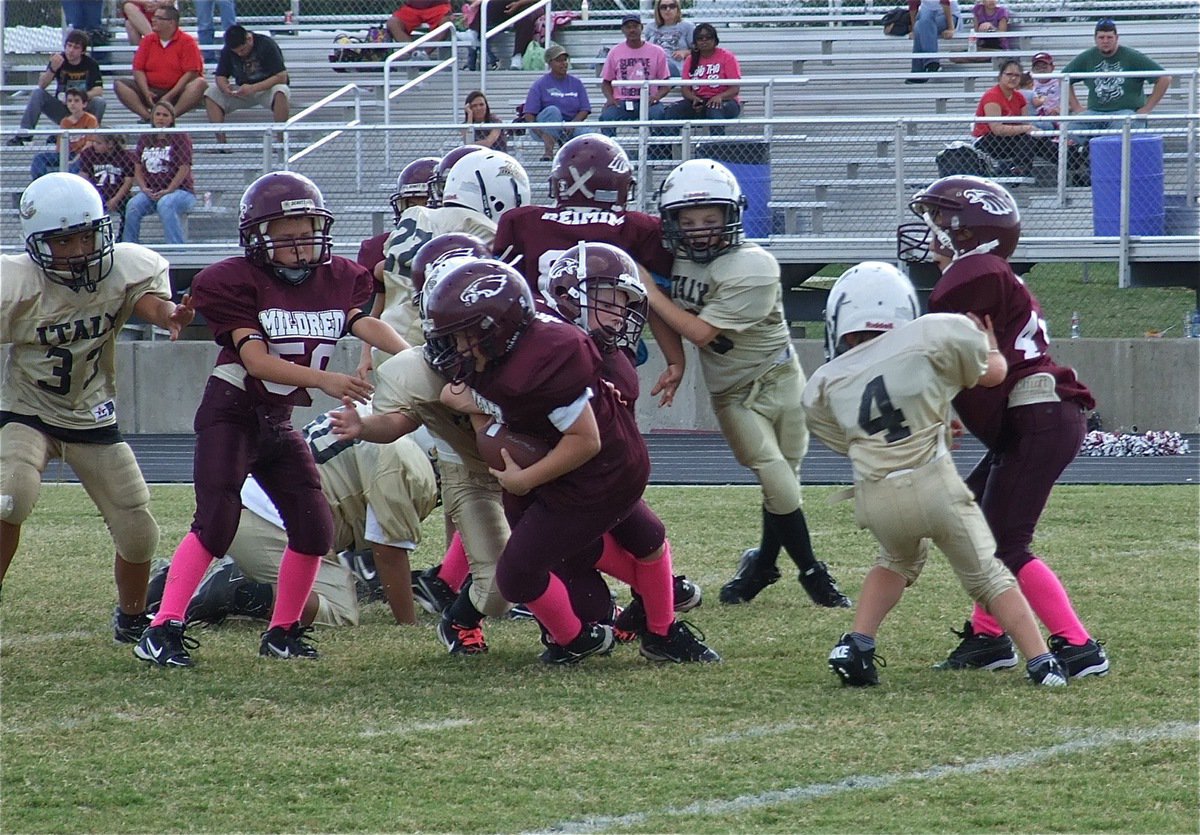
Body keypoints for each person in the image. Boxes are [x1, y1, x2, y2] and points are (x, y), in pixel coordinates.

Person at [133, 171, 409, 668]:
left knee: (314, 529)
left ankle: (282, 632)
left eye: (307, 233)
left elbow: (362, 321)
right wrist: (326, 381)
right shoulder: (234, 282)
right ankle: (162, 628)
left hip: (277, 420)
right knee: (216, 520)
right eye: (287, 238)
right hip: (232, 410)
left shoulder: (340, 278)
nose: (302, 248)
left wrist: (414, 356)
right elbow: (257, 361)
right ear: (258, 240)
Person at [802, 262, 1068, 688]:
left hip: (875, 495)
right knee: (990, 576)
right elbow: (992, 374)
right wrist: (992, 347)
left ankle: (857, 643)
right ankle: (1041, 661)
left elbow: (847, 438)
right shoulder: (931, 333)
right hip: (933, 485)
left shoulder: (824, 380)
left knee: (895, 560)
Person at [897, 174, 1110, 680]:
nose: (931, 230)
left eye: (941, 220)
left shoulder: (970, 276)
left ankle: (1079, 647)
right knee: (974, 521)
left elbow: (950, 359)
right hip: (1036, 415)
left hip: (1036, 414)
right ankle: (989, 637)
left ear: (968, 230)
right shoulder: (993, 272)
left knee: (1004, 542)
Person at [423, 259, 653, 664]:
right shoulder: (505, 351)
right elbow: (452, 396)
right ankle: (570, 631)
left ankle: (655, 605)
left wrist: (524, 474)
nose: (455, 348)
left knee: (630, 543)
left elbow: (585, 439)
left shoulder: (551, 355)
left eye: (461, 337)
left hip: (587, 474)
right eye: (607, 301)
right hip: (549, 476)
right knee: (526, 570)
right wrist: (495, 427)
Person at [645, 159, 851, 609]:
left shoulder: (751, 265)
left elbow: (703, 332)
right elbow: (656, 314)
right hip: (732, 391)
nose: (699, 230)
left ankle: (760, 568)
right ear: (673, 221)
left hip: (780, 377)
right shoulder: (669, 257)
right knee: (779, 483)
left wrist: (650, 290)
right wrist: (675, 360)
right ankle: (813, 573)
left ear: (731, 217)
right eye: (690, 221)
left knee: (785, 484)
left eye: (711, 220)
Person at [1, 172, 194, 638]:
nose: (80, 249)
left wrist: (169, 314)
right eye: (65, 241)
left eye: (88, 235)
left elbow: (146, 299)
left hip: (90, 412)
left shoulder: (124, 268)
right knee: (10, 496)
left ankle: (131, 616)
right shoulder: (17, 283)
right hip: (27, 407)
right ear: (39, 243)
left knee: (138, 529)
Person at [543, 243, 719, 662]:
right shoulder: (547, 349)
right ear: (571, 296)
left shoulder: (611, 355)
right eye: (610, 299)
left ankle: (660, 629)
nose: (621, 312)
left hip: (604, 478)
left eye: (625, 301)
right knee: (576, 598)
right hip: (553, 486)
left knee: (650, 539)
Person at [147, 405, 439, 628]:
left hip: (258, 509)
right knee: (339, 611)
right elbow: (387, 549)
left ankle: (177, 579)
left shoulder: (377, 410)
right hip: (274, 522)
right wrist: (407, 623)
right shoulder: (403, 455)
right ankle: (238, 590)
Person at [1063, 19, 1171, 140]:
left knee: (1125, 126)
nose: (1105, 41)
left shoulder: (1132, 56)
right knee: (1071, 129)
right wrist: (1077, 107)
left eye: (1109, 37)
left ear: (1116, 37)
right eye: (1101, 37)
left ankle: (1113, 155)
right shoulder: (1087, 56)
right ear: (1095, 39)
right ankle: (1082, 155)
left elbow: (1164, 78)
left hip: (1125, 112)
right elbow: (1063, 79)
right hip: (1095, 112)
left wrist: (1146, 109)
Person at [8, 30, 106, 146]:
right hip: (63, 107)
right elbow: (42, 85)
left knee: (99, 102)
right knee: (38, 93)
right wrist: (53, 69)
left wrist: (80, 98)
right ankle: (25, 135)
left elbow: (98, 90)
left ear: (82, 51)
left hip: (83, 109)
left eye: (76, 47)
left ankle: (91, 135)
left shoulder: (91, 64)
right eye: (69, 46)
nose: (71, 50)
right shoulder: (58, 60)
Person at [112, 5, 207, 122]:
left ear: (171, 23)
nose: (153, 20)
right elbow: (138, 69)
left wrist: (170, 95)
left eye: (158, 18)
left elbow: (191, 73)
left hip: (177, 92)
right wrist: (146, 92)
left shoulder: (187, 42)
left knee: (199, 83)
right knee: (120, 84)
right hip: (152, 90)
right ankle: (149, 117)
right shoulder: (147, 40)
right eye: (154, 17)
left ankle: (170, 117)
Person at [203, 26, 289, 148]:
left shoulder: (266, 44)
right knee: (211, 93)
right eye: (236, 52)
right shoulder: (228, 50)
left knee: (281, 91)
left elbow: (282, 77)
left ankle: (280, 141)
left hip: (266, 88)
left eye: (242, 50)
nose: (239, 54)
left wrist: (253, 88)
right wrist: (224, 88)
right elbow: (220, 75)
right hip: (242, 90)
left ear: (249, 39)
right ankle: (221, 143)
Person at [123, 101, 195, 245]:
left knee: (165, 203)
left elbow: (184, 167)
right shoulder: (146, 137)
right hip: (152, 192)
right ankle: (129, 247)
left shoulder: (180, 137)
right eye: (157, 114)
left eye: (165, 115)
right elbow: (137, 165)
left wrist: (169, 190)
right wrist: (143, 188)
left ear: (172, 119)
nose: (161, 118)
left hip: (181, 192)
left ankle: (176, 249)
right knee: (133, 205)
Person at [355, 155, 439, 276]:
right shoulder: (376, 248)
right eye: (411, 204)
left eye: (427, 203)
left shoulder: (457, 243)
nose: (418, 212)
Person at [972, 59, 1057, 175]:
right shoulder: (992, 96)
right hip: (987, 140)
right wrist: (1026, 129)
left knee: (1035, 139)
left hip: (1014, 139)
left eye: (1017, 75)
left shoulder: (1019, 97)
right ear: (1000, 76)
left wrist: (1030, 130)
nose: (1013, 78)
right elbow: (997, 129)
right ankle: (1019, 169)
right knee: (1029, 137)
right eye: (1009, 74)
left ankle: (1071, 160)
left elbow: (1025, 123)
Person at [520, 44, 597, 161]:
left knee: (589, 134)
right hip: (545, 128)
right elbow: (529, 114)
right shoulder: (540, 84)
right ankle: (549, 152)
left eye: (565, 60)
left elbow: (585, 109)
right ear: (550, 63)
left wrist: (572, 124)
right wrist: (541, 132)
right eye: (559, 61)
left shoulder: (576, 83)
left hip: (570, 124)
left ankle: (586, 161)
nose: (564, 63)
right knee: (553, 111)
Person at [662, 23, 741, 134]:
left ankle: (717, 148)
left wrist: (720, 97)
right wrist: (693, 99)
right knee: (672, 111)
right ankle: (668, 148)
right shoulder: (690, 59)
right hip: (699, 101)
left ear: (715, 40)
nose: (704, 41)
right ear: (695, 42)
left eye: (708, 37)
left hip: (725, 101)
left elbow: (735, 89)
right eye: (700, 38)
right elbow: (685, 89)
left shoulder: (727, 57)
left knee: (714, 111)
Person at [599, 15, 671, 130]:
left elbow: (666, 84)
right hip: (622, 101)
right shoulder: (614, 52)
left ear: (641, 28)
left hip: (648, 101)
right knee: (607, 116)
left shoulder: (657, 52)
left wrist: (656, 97)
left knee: (659, 115)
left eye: (635, 26)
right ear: (622, 30)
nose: (632, 30)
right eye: (628, 27)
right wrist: (610, 99)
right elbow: (606, 82)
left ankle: (656, 147)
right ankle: (611, 148)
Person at [78, 133, 137, 241]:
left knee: (129, 207)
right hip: (96, 192)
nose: (94, 145)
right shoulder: (89, 153)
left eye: (98, 143)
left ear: (110, 144)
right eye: (94, 142)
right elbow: (84, 176)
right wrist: (92, 195)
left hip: (117, 193)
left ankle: (123, 238)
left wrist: (115, 200)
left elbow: (128, 182)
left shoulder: (124, 156)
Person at [29, 88, 96, 180]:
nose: (72, 104)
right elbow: (60, 146)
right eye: (69, 101)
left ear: (84, 104)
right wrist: (64, 158)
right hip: (68, 153)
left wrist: (74, 160)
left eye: (76, 101)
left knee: (76, 165)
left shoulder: (90, 119)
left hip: (83, 155)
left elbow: (90, 143)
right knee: (39, 158)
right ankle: (40, 182)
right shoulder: (65, 122)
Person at [462, 0, 539, 71]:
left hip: (533, 5)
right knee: (489, 4)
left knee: (525, 17)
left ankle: (518, 56)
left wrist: (518, 4)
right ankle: (473, 33)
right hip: (512, 5)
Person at [906, 0, 959, 81]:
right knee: (919, 25)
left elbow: (945, 3)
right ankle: (931, 63)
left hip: (949, 16)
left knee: (921, 26)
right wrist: (913, 30)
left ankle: (918, 70)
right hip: (926, 17)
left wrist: (951, 28)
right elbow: (913, 6)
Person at [644, 0, 694, 77]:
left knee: (668, 67)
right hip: (654, 67)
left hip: (676, 68)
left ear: (677, 8)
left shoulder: (687, 27)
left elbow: (698, 50)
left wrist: (685, 52)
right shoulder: (650, 27)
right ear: (658, 10)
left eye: (672, 6)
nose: (668, 9)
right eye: (663, 7)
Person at [386, 0, 453, 51]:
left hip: (438, 7)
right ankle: (414, 52)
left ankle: (424, 53)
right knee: (392, 23)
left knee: (446, 22)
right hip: (412, 9)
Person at [1030, 52, 1062, 119]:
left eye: (1044, 67)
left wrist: (1058, 110)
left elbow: (1071, 105)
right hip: (1034, 118)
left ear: (1052, 67)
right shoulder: (1028, 83)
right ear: (1032, 69)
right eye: (1037, 67)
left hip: (1055, 119)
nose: (1041, 69)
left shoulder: (1061, 82)